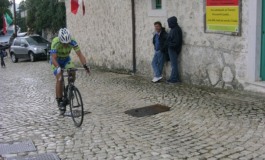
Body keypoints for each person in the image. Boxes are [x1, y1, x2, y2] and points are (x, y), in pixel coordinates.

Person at [50, 28, 90, 115]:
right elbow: (53, 58)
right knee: (59, 78)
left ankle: (70, 87)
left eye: (67, 43)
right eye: (64, 43)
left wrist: (85, 65)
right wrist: (58, 67)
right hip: (56, 61)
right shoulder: (55, 42)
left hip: (66, 59)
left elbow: (80, 54)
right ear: (60, 40)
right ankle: (59, 100)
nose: (65, 45)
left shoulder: (73, 41)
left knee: (72, 70)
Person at [167, 16, 183, 83]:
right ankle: (175, 77)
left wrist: (169, 45)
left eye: (169, 22)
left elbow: (176, 42)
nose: (168, 24)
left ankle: (174, 79)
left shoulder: (176, 29)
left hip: (173, 49)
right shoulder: (173, 28)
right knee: (173, 64)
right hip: (172, 48)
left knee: (174, 64)